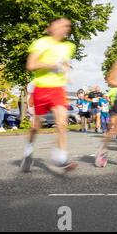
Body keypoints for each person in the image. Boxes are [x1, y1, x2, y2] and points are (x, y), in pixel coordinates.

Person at [21, 17, 78, 173]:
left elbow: (65, 64)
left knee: (62, 123)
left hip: (58, 89)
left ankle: (61, 158)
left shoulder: (68, 46)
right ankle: (28, 151)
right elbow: (31, 65)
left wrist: (65, 71)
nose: (64, 28)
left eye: (67, 26)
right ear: (51, 27)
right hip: (41, 88)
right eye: (60, 25)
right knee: (35, 127)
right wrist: (52, 64)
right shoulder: (41, 43)